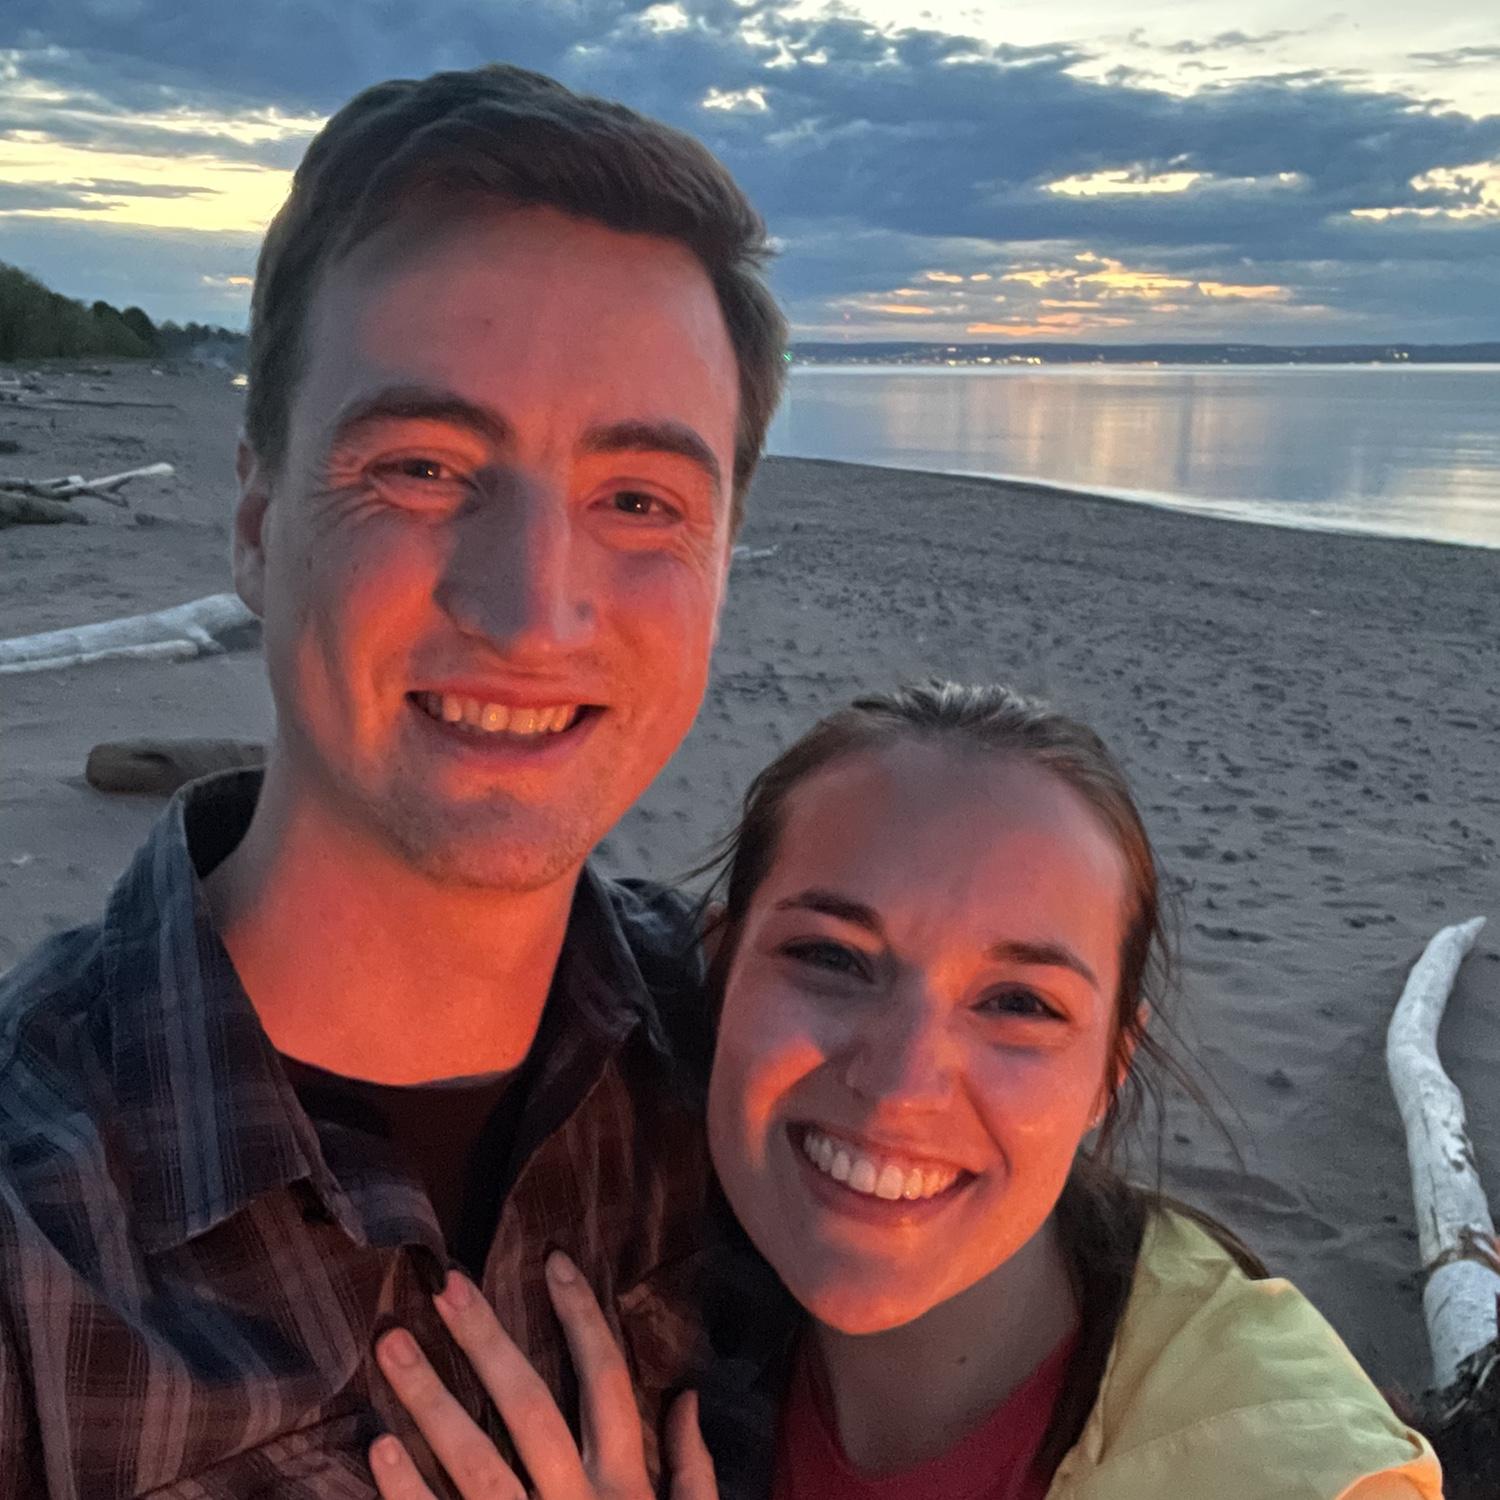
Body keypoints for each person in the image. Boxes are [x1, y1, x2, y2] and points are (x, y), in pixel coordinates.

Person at [0, 63, 785, 1495]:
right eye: (421, 468)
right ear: (256, 522)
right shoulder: (34, 1238)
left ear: (724, 563)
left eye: (637, 501)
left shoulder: (772, 1086)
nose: (531, 610)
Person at [363, 682, 1444, 1500]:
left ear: (1109, 1074)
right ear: (720, 972)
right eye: (832, 958)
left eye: (1018, 1004)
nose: (897, 1082)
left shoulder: (1285, 1472)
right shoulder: (676, 1288)